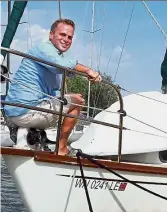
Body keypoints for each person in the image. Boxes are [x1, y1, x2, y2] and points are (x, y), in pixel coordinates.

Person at [4, 18, 102, 155]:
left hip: (16, 112)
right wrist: (88, 71)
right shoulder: (44, 49)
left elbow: (55, 89)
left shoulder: (51, 61)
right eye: (62, 35)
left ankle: (32, 139)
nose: (66, 39)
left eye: (69, 37)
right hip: (26, 111)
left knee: (73, 98)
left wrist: (78, 85)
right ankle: (61, 149)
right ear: (51, 35)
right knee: (78, 102)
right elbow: (61, 65)